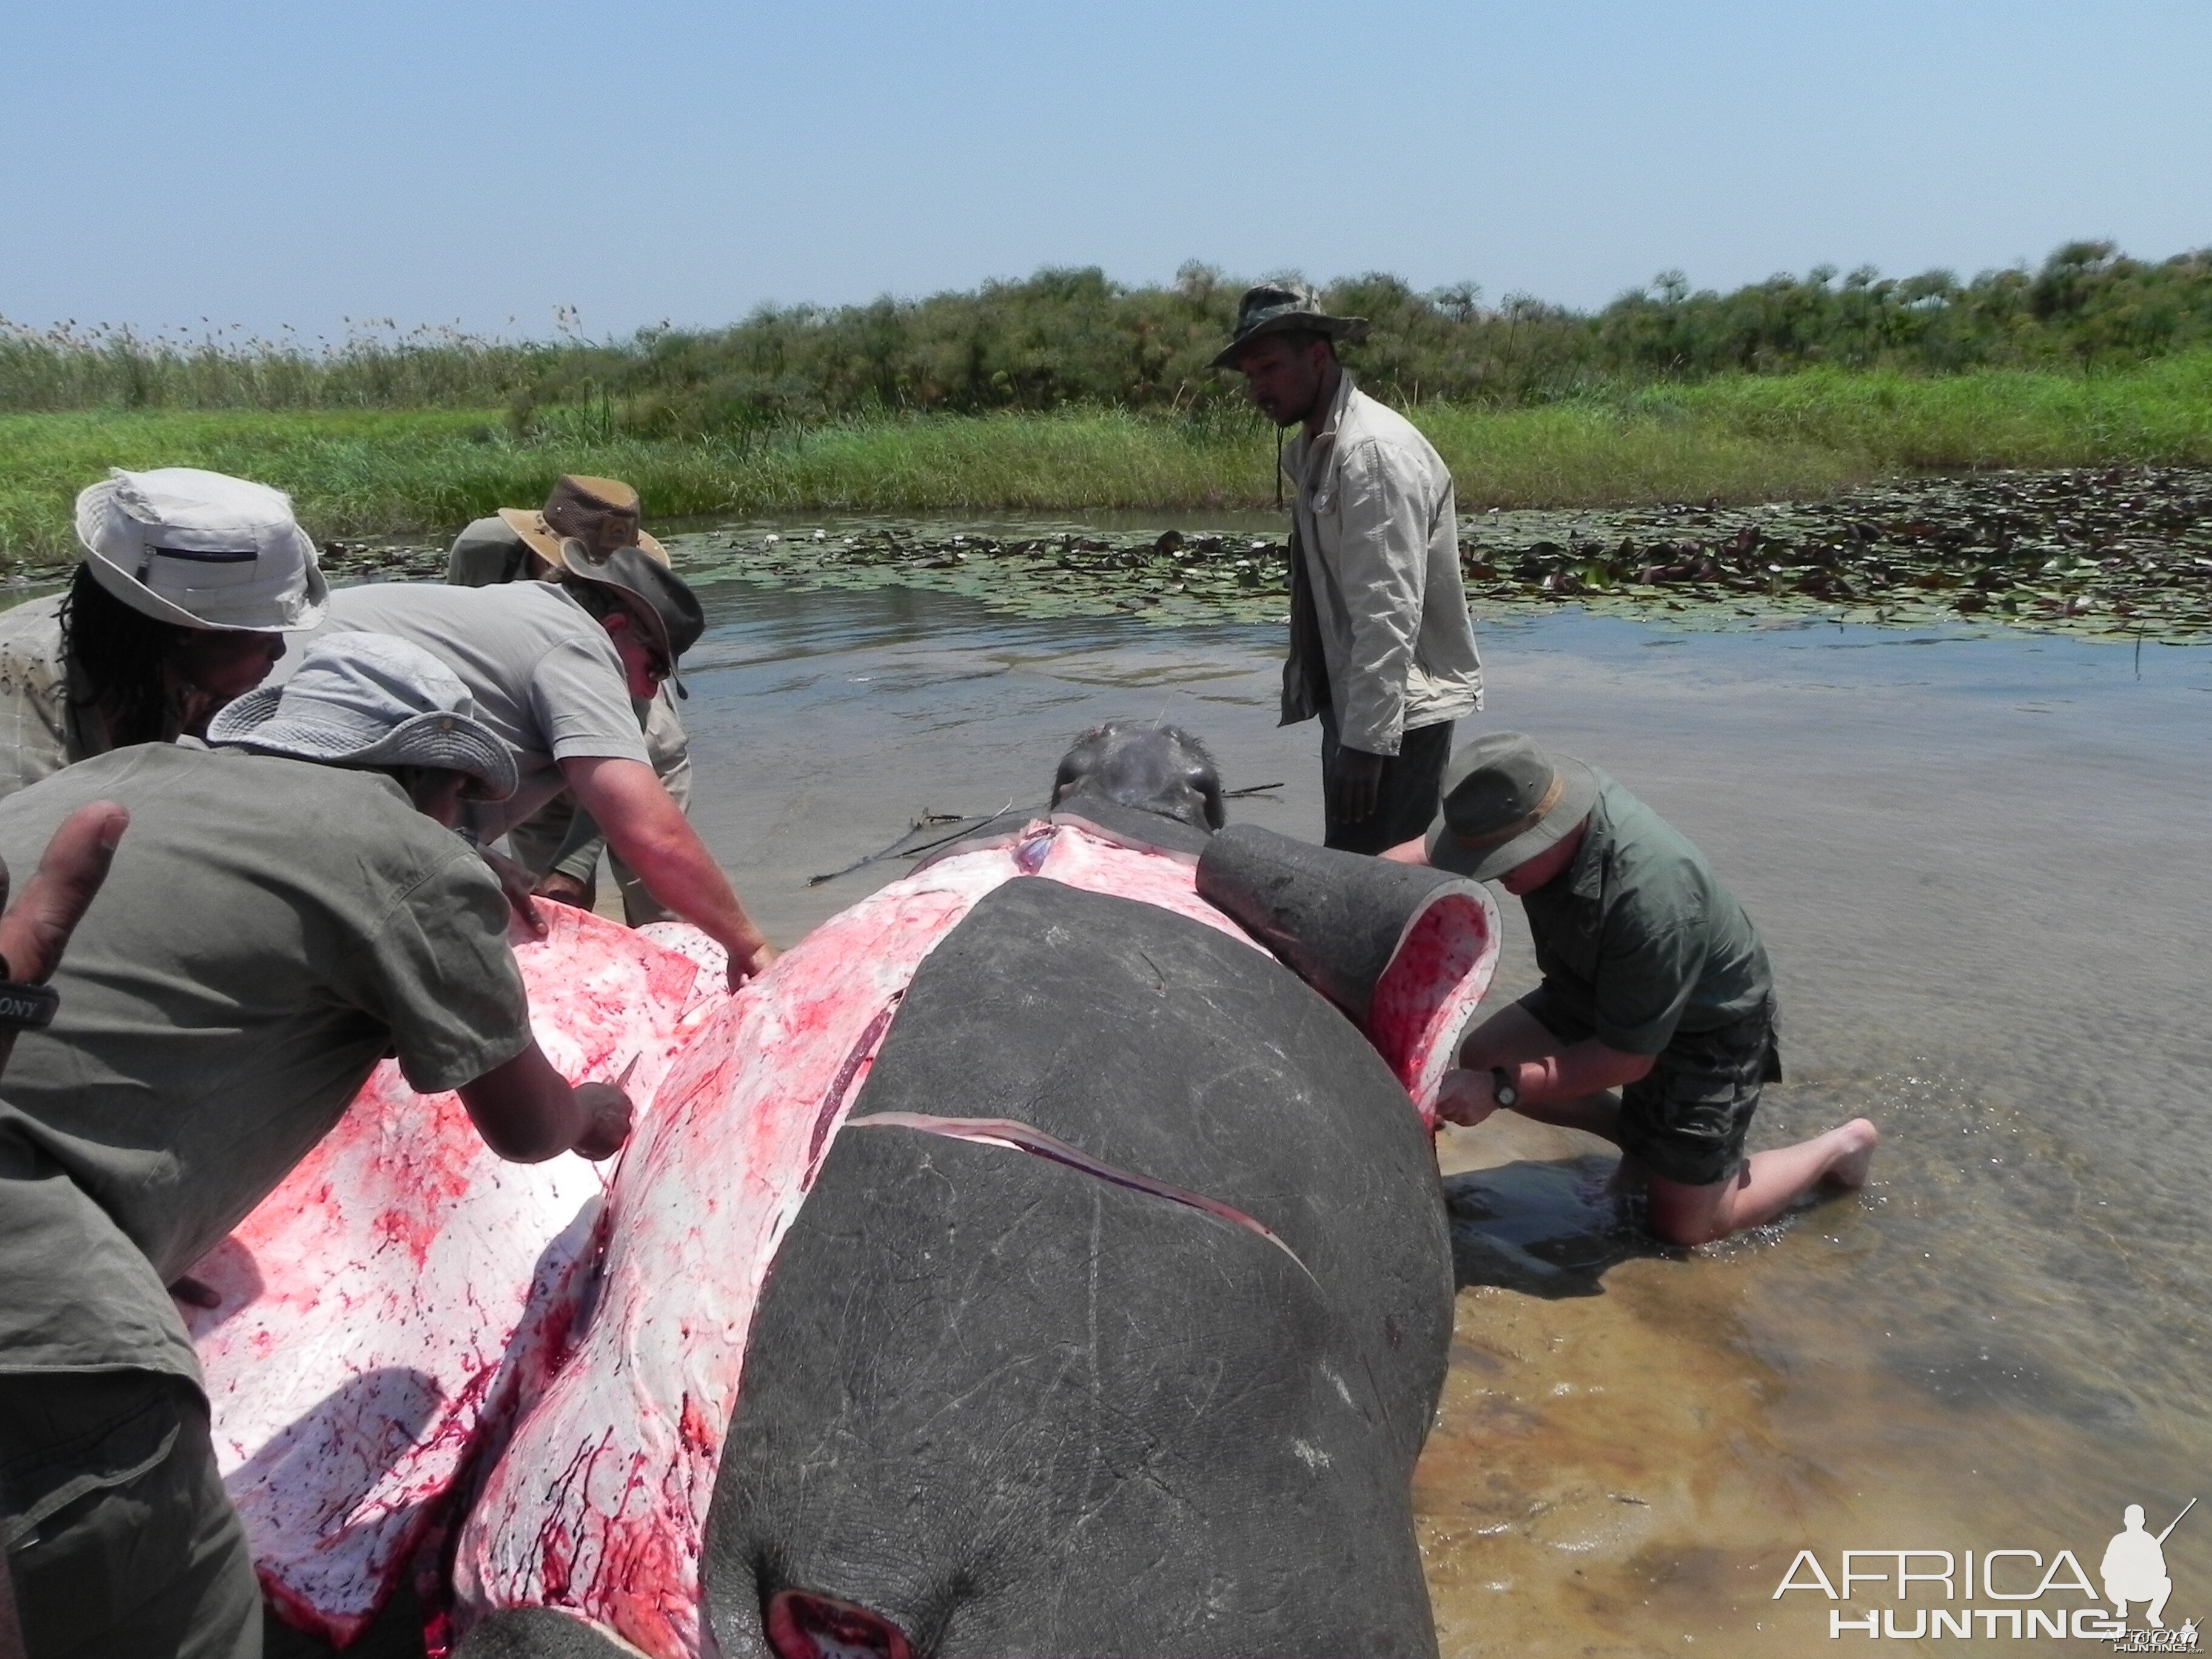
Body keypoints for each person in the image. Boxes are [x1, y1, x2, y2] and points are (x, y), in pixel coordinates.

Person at [1392, 731, 1878, 1247]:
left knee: (1687, 1230)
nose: (1494, 878)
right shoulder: (1523, 796)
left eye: (1503, 863)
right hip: (1597, 983)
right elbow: (1415, 858)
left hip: (1706, 1024)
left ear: (1552, 833)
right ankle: (1648, 1144)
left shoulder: (1651, 899)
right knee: (1490, 1052)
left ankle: (1839, 1145)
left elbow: (1627, 1060)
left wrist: (1499, 1089)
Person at [310, 542, 777, 985]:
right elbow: (653, 836)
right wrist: (751, 947)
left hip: (291, 769)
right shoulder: (576, 644)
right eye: (654, 668)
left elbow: (378, 789)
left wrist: (470, 853)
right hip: (311, 785)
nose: (651, 692)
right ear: (614, 628)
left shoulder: (519, 611)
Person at [1214, 284, 1483, 854]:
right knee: (1355, 871)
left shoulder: (1371, 454)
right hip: (1360, 701)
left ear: (1318, 356)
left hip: (1396, 716)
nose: (1258, 387)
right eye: (1249, 375)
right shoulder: (1316, 450)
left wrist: (1366, 744)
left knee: (1382, 881)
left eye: (1269, 367)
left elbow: (1388, 611)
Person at [446, 474, 691, 924]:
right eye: (575, 568)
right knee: (548, 918)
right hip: (533, 755)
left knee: (664, 918)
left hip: (638, 752)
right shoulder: (483, 553)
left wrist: (573, 868)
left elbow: (619, 754)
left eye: (604, 578)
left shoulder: (640, 594)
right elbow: (463, 663)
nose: (588, 588)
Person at [0, 467, 329, 802]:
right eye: (265, 637)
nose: (279, 653)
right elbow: (23, 837)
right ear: (189, 630)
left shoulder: (168, 668)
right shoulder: (19, 680)